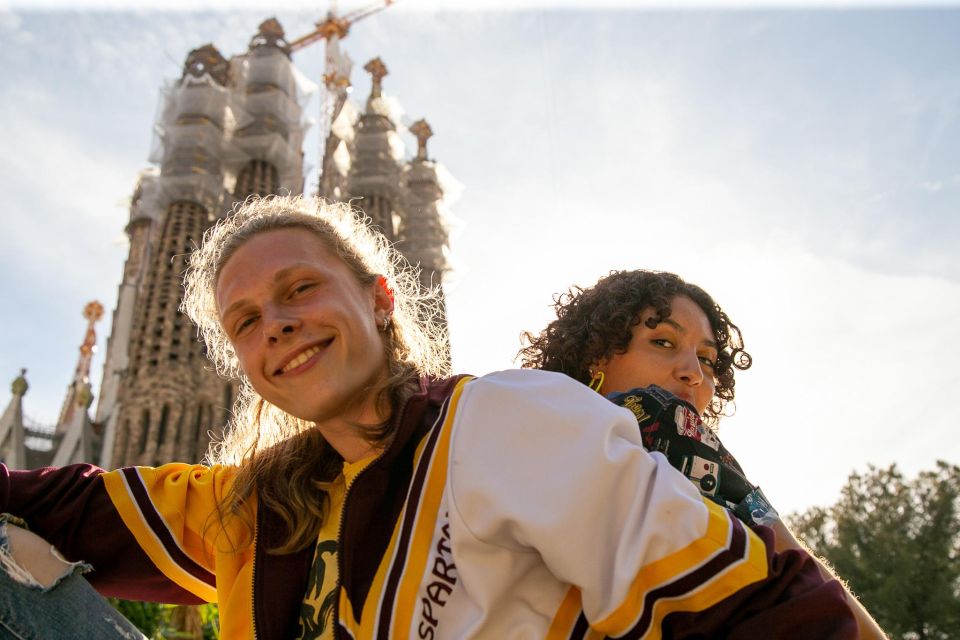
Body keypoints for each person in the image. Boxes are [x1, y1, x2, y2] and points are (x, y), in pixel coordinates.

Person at [1, 196, 857, 639]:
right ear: (248, 368)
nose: (280, 324)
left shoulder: (501, 422)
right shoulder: (257, 507)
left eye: (301, 289)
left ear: (380, 300)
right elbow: (71, 505)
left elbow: (754, 607)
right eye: (248, 321)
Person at [519, 268, 887, 639]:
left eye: (707, 360)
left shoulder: (712, 499)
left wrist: (752, 505)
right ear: (597, 355)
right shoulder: (515, 432)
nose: (694, 372)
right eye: (663, 342)